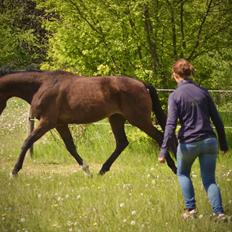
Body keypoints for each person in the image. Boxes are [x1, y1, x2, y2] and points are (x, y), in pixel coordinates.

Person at [158, 59, 228, 219]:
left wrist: (163, 151)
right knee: (210, 179)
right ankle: (220, 213)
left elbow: (170, 124)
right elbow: (217, 120)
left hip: (188, 143)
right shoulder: (203, 92)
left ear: (175, 75)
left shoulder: (175, 96)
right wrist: (223, 143)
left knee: (183, 174)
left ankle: (191, 210)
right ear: (190, 74)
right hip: (209, 141)